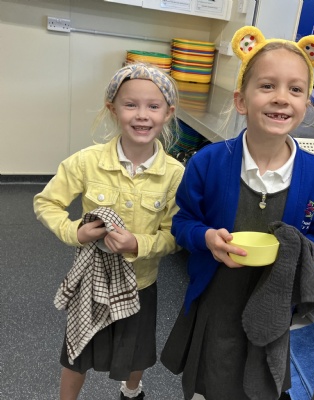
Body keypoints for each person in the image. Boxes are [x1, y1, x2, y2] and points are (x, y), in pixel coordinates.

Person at [161, 26, 314, 400]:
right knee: (213, 380)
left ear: (306, 104)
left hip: (275, 309)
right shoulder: (208, 163)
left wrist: (299, 253)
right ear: (241, 100)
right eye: (267, 86)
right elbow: (182, 223)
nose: (282, 98)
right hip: (217, 302)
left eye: (295, 89)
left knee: (260, 384)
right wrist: (206, 238)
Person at [33, 62, 184, 400]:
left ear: (168, 113)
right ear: (113, 109)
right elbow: (46, 202)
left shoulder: (175, 175)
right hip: (92, 282)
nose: (141, 115)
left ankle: (131, 391)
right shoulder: (86, 162)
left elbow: (174, 235)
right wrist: (75, 232)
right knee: (77, 353)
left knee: (138, 353)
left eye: (153, 106)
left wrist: (138, 243)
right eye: (130, 104)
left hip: (141, 284)